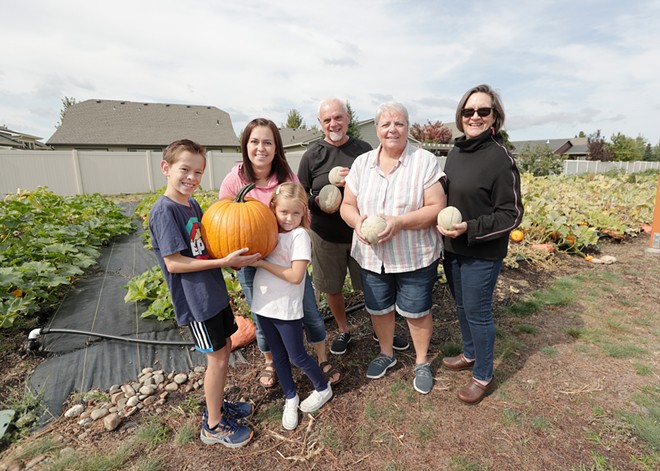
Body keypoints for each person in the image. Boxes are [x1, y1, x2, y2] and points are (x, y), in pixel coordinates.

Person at [149, 139, 260, 447]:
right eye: (185, 170)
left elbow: (203, 248)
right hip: (196, 301)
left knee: (224, 349)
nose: (192, 178)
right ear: (166, 168)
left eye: (198, 172)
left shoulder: (191, 205)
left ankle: (219, 407)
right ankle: (212, 424)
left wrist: (230, 258)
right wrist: (224, 261)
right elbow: (174, 263)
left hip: (212, 292)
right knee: (218, 359)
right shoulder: (165, 211)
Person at [219, 118, 340, 387]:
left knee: (308, 310)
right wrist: (232, 257)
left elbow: (302, 212)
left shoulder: (286, 177)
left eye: (267, 142)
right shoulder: (234, 179)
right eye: (254, 141)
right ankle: (271, 363)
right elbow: (222, 222)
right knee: (262, 318)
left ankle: (321, 357)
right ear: (245, 145)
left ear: (276, 148)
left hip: (288, 259)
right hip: (253, 263)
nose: (260, 148)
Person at [340, 102, 446, 394]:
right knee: (378, 308)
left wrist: (399, 223)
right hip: (373, 257)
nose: (392, 130)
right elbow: (347, 205)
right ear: (377, 130)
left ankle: (422, 361)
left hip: (414, 254)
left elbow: (438, 207)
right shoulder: (362, 164)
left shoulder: (423, 161)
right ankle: (386, 353)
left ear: (408, 128)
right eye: (385, 124)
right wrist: (357, 223)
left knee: (417, 310)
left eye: (398, 124)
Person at [298, 98, 409, 355]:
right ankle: (344, 330)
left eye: (338, 117)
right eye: (327, 120)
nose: (333, 123)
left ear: (348, 118)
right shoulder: (312, 155)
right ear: (320, 123)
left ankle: (380, 330)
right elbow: (300, 196)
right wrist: (318, 201)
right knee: (332, 287)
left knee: (371, 285)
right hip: (325, 236)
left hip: (363, 233)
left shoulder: (364, 149)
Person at [438, 84, 524, 404]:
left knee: (478, 312)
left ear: (494, 118)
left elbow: (511, 214)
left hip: (482, 252)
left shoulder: (501, 159)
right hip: (453, 249)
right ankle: (470, 354)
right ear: (460, 116)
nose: (474, 116)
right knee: (461, 307)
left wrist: (469, 228)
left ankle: (483, 374)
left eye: (482, 111)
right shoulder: (456, 152)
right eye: (468, 111)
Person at [250, 182, 333, 430]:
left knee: (297, 355)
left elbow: (296, 276)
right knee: (278, 355)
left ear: (304, 214)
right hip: (263, 304)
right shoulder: (267, 233)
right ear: (273, 208)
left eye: (296, 213)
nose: (289, 218)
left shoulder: (300, 236)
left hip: (285, 308)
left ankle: (323, 387)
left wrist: (262, 264)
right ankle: (290, 396)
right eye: (284, 212)